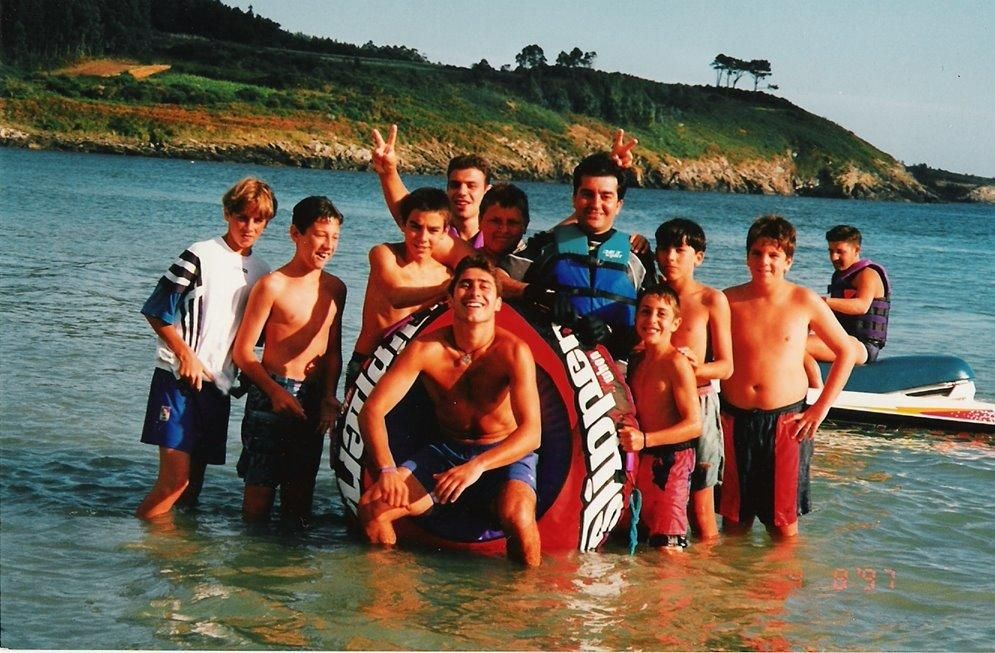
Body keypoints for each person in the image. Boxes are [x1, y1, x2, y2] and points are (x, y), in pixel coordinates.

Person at [357, 256, 543, 566]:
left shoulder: (513, 352)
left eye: (484, 286)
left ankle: (521, 605)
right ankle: (392, 598)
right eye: (465, 285)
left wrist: (477, 467)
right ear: (449, 297)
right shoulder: (425, 350)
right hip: (447, 453)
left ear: (498, 303)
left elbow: (532, 434)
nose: (474, 292)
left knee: (520, 516)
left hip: (502, 455)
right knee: (372, 509)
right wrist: (387, 470)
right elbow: (372, 410)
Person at [135, 178, 276, 520]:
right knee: (174, 482)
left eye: (259, 220)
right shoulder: (199, 254)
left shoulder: (262, 272)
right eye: (243, 217)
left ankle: (176, 563)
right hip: (177, 380)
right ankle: (135, 545)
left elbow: (248, 337)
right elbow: (156, 310)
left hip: (218, 388)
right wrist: (185, 355)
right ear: (228, 213)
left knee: (192, 490)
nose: (250, 227)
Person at [721, 215, 857, 538]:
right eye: (756, 253)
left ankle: (781, 586)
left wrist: (820, 409)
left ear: (788, 261)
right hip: (734, 420)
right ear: (746, 257)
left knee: (781, 527)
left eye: (773, 255)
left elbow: (846, 352)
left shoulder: (803, 300)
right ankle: (729, 588)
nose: (764, 262)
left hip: (786, 423)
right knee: (734, 522)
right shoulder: (728, 300)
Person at [231, 196, 346, 526]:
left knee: (299, 498)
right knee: (260, 495)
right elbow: (243, 352)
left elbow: (332, 351)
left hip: (311, 399)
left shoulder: (336, 288)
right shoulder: (272, 285)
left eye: (335, 237)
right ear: (295, 233)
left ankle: (289, 568)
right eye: (321, 235)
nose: (328, 245)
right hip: (271, 395)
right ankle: (249, 564)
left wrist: (328, 397)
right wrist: (274, 392)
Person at [519, 152, 653, 359]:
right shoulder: (545, 246)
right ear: (574, 199)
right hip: (554, 361)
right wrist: (543, 296)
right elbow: (498, 280)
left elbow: (658, 321)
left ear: (619, 205)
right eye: (587, 194)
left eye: (606, 196)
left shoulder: (638, 256)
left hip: (615, 369)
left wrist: (612, 334)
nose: (596, 204)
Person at [654, 218, 733, 541]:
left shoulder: (710, 300)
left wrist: (688, 369)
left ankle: (705, 583)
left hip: (699, 403)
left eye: (680, 250)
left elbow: (726, 366)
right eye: (663, 249)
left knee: (700, 508)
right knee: (658, 496)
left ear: (698, 257)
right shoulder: (651, 297)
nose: (670, 257)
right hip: (656, 404)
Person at [617, 285, 702, 550]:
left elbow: (694, 425)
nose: (652, 320)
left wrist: (645, 439)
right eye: (645, 312)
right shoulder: (637, 360)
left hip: (673, 462)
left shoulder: (676, 363)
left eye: (661, 314)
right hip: (643, 461)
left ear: (676, 323)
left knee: (668, 547)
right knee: (639, 540)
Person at [347, 188, 456, 389]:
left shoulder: (447, 275)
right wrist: (448, 288)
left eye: (432, 230)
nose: (422, 238)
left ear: (445, 232)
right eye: (415, 226)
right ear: (403, 225)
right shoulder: (384, 254)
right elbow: (396, 296)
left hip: (413, 370)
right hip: (369, 364)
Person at [371, 124, 491, 246]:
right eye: (455, 185)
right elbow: (405, 208)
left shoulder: (497, 237)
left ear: (487, 191)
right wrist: (389, 172)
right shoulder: (433, 233)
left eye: (471, 186)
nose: (462, 192)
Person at [805, 224, 891, 387]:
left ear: (856, 250)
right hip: (841, 339)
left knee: (798, 345)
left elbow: (861, 306)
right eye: (830, 251)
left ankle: (817, 386)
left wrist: (821, 301)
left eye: (840, 252)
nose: (834, 257)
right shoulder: (840, 277)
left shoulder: (868, 275)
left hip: (863, 347)